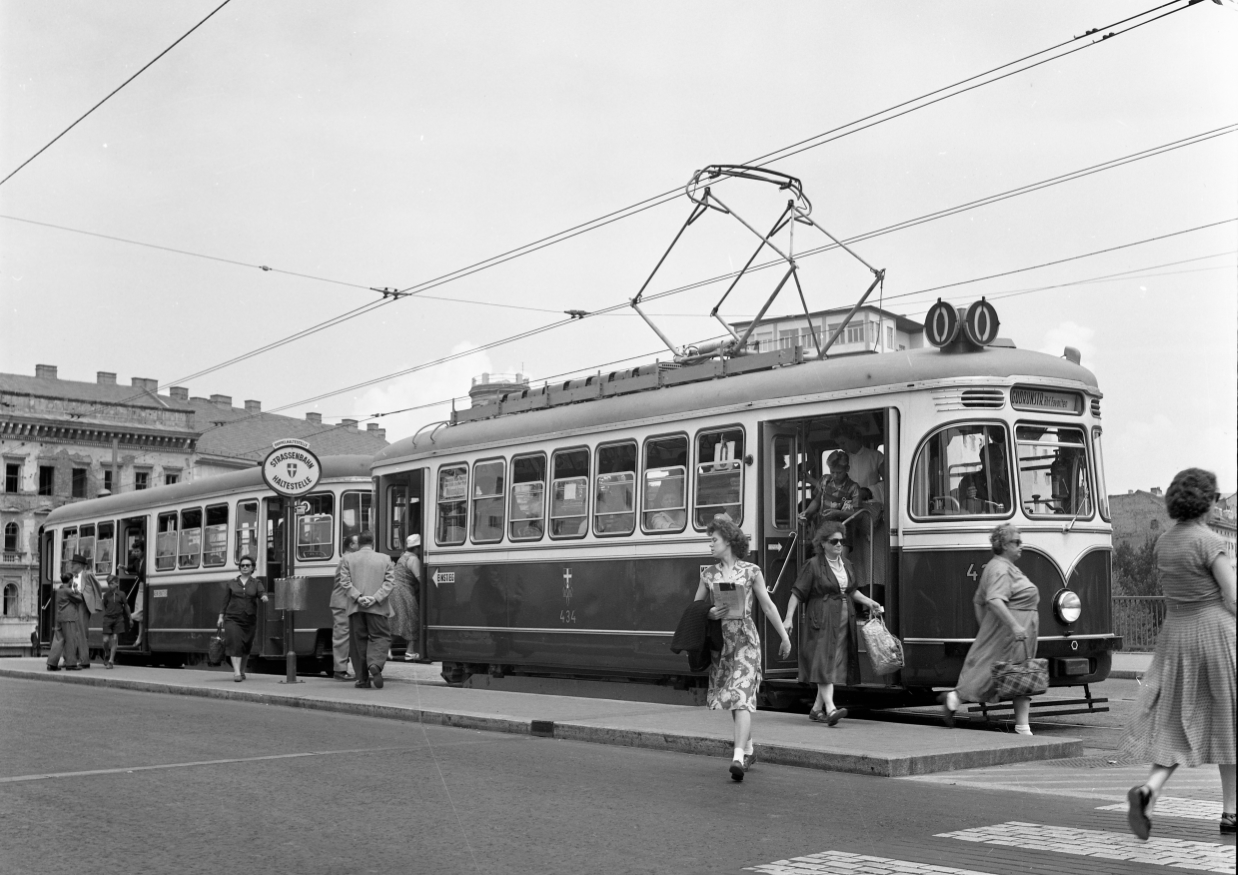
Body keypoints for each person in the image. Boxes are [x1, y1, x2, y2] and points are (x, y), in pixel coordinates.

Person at [1120, 468, 1236, 839]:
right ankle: (1231, 813)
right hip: (1215, 635)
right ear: (1208, 501)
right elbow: (1232, 596)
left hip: (1176, 638)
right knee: (1229, 722)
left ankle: (1149, 790)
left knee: (1173, 724)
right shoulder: (1209, 541)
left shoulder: (1165, 542)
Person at [693, 515, 791, 781]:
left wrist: (784, 637)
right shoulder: (708, 575)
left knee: (742, 695)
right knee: (734, 699)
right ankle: (747, 748)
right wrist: (710, 613)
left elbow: (768, 606)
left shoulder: (751, 571)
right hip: (721, 644)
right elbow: (695, 609)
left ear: (728, 540)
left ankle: (737, 756)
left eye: (713, 540)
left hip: (746, 640)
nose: (710, 545)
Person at [939, 523, 1040, 735]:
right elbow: (993, 599)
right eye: (1016, 542)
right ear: (1003, 545)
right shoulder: (1000, 569)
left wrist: (988, 627)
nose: (1021, 546)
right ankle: (1022, 728)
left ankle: (1022, 726)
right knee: (1014, 673)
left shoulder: (1003, 566)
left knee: (1015, 674)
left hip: (1014, 633)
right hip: (1013, 634)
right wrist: (1013, 626)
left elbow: (978, 600)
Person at [782, 521, 884, 726]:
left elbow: (852, 591)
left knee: (834, 660)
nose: (839, 544)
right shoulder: (813, 565)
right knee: (823, 661)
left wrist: (870, 602)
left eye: (841, 541)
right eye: (834, 541)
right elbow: (797, 593)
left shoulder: (846, 564)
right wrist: (788, 618)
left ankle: (816, 709)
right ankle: (831, 709)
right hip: (821, 618)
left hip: (844, 617)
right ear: (823, 544)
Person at [336, 531, 396, 689]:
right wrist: (375, 598)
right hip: (378, 607)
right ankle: (375, 664)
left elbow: (344, 582)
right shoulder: (385, 559)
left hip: (356, 608)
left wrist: (358, 597)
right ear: (373, 543)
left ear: (359, 543)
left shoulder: (348, 559)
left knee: (358, 643)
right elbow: (390, 582)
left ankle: (362, 679)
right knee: (381, 637)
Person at [217, 555, 268, 682]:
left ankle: (242, 670)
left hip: (249, 619)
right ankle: (237, 672)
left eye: (247, 565)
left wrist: (263, 597)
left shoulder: (256, 583)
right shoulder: (232, 583)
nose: (244, 567)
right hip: (233, 619)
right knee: (236, 644)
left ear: (252, 568)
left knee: (246, 646)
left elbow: (261, 592)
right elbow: (225, 601)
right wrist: (221, 617)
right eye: (242, 565)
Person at [798, 451, 860, 527]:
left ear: (847, 469)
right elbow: (817, 501)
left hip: (844, 528)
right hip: (823, 525)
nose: (835, 476)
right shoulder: (825, 480)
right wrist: (807, 512)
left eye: (839, 472)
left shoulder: (853, 488)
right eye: (832, 472)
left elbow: (858, 515)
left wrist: (837, 513)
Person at [329, 535, 359, 681]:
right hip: (342, 603)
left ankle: (342, 668)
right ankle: (340, 670)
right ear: (352, 545)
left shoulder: (349, 559)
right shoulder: (347, 560)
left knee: (345, 636)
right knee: (342, 637)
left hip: (345, 602)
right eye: (358, 542)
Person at [833, 423, 885, 503]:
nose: (841, 447)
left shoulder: (876, 456)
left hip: (872, 507)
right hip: (849, 509)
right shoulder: (841, 461)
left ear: (853, 438)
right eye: (839, 444)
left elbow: (889, 483)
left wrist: (869, 491)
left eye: (843, 443)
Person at [390, 534, 423, 661]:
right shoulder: (414, 559)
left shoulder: (403, 556)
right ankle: (410, 651)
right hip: (404, 591)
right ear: (417, 548)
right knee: (412, 619)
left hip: (395, 591)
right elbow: (420, 578)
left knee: (398, 622)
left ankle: (385, 649)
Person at [68, 553, 103, 668]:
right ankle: (74, 659)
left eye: (73, 564)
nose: (71, 566)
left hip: (83, 604)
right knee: (75, 632)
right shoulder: (74, 576)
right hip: (74, 604)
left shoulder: (87, 574)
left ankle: (84, 660)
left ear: (79, 565)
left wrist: (97, 604)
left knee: (82, 633)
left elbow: (97, 587)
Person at [46, 573, 85, 671]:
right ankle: (71, 664)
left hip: (60, 617)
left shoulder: (59, 590)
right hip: (69, 618)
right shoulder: (69, 591)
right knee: (71, 640)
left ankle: (52, 663)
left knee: (58, 640)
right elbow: (80, 599)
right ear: (71, 580)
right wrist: (76, 589)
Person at [959, 442, 1011, 514]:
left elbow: (1009, 509)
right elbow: (961, 505)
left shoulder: (1004, 485)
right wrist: (967, 497)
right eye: (994, 457)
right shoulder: (970, 480)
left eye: (1000, 458)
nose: (998, 461)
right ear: (983, 460)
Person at [100, 574, 131, 669]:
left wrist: (130, 618)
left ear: (116, 584)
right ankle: (107, 652)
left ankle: (111, 661)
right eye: (108, 584)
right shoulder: (106, 595)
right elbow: (105, 605)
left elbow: (126, 606)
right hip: (108, 619)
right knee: (105, 640)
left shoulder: (121, 594)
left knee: (114, 638)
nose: (109, 585)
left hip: (118, 619)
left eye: (111, 583)